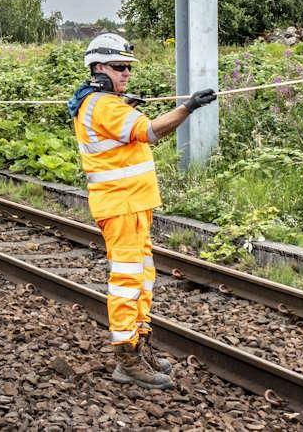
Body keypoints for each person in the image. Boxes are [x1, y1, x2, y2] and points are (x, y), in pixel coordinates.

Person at [68, 33, 216, 389]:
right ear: (99, 68)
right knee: (126, 280)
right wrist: (188, 108)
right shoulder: (104, 106)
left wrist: (125, 101)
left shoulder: (102, 102)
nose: (126, 74)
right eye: (119, 68)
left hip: (132, 204)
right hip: (121, 205)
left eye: (128, 68)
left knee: (142, 276)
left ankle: (139, 343)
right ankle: (126, 358)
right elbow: (150, 131)